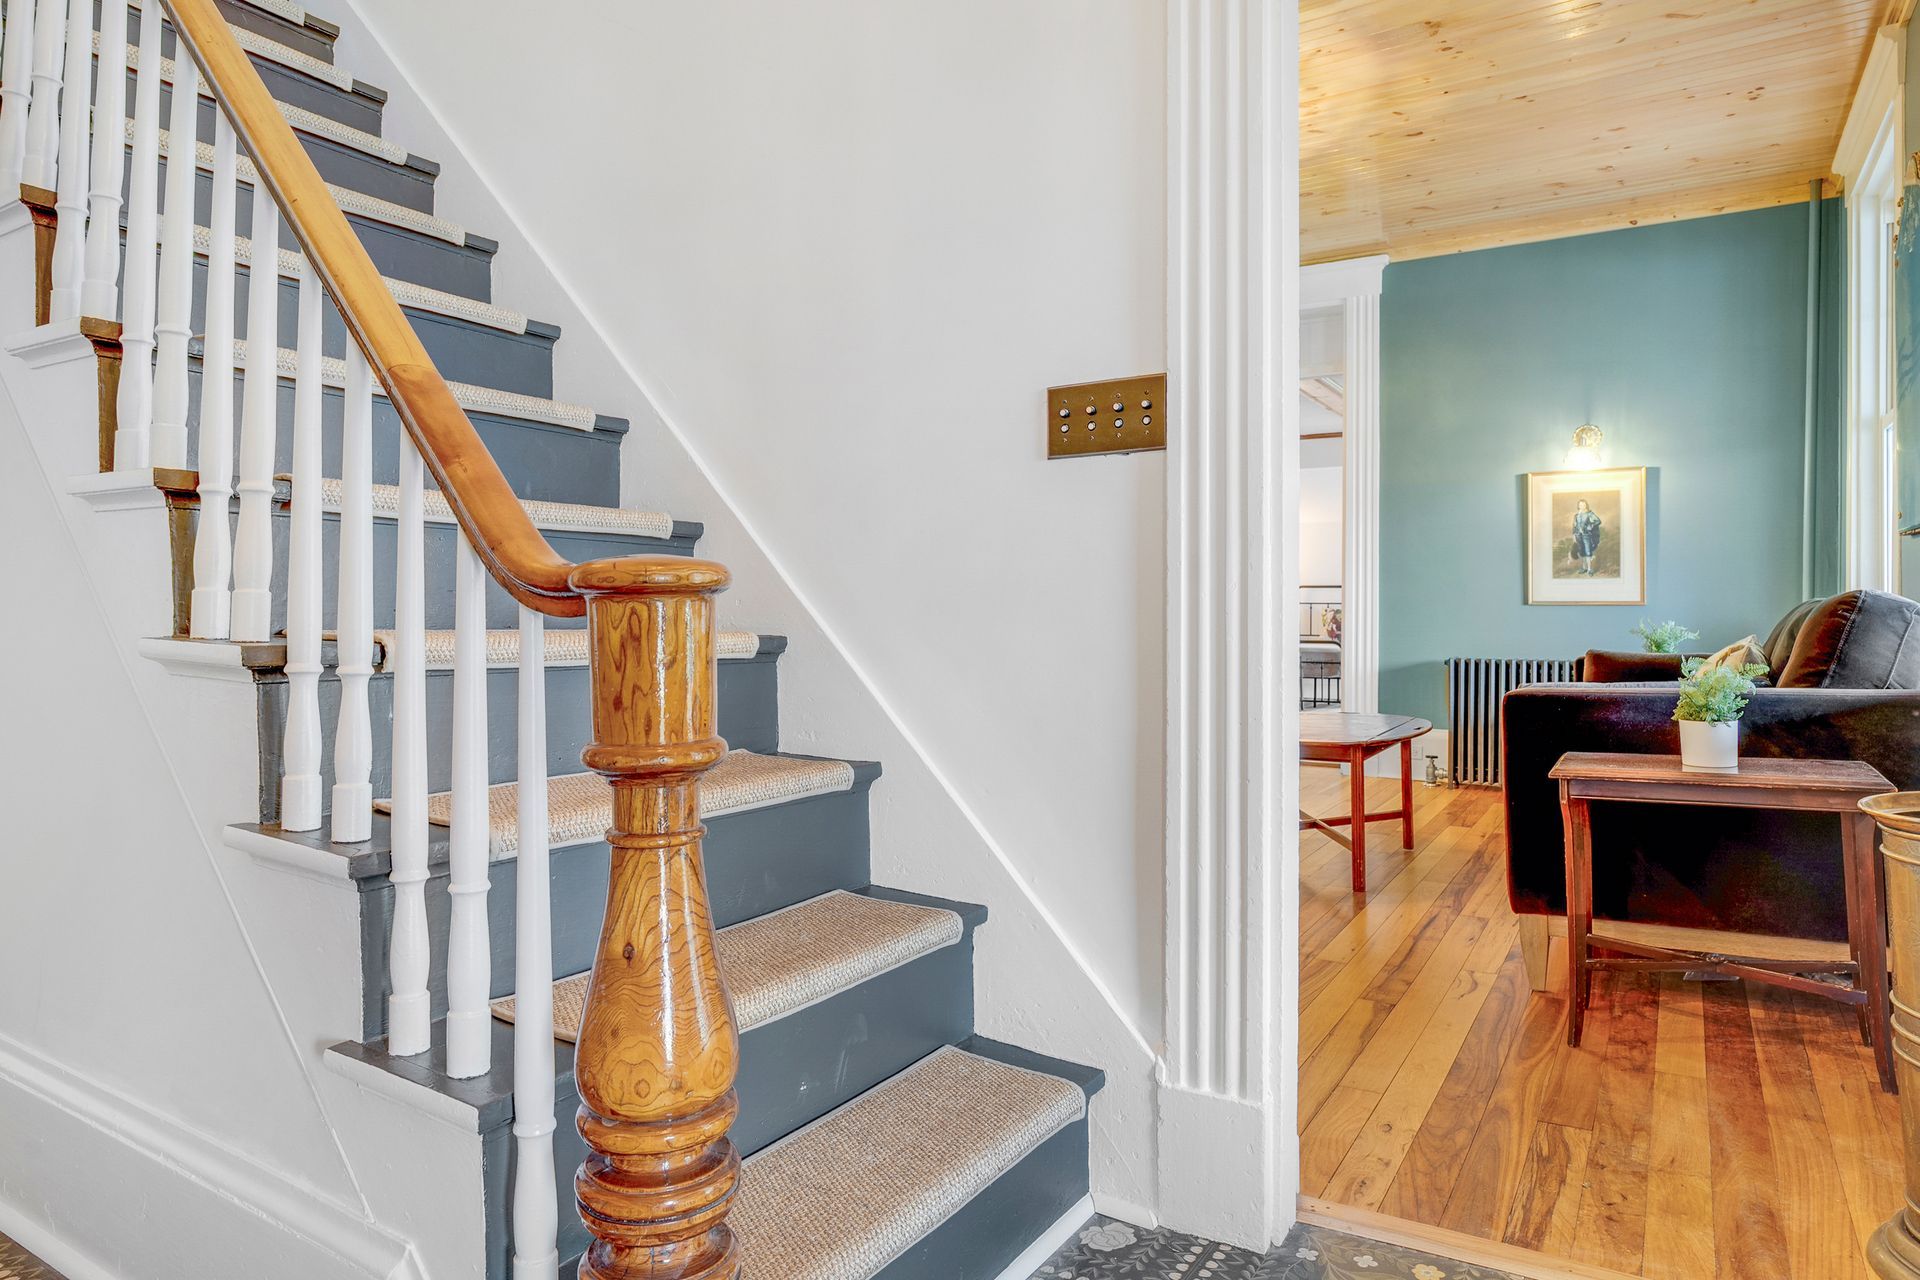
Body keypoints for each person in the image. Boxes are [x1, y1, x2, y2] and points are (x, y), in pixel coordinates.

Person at [1570, 499, 1602, 576]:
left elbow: (1598, 521)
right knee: (1581, 552)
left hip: (1587, 535)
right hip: (1578, 536)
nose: (1582, 506)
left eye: (1583, 505)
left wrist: (1590, 526)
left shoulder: (1589, 514)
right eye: (1580, 505)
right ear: (1578, 506)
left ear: (1586, 505)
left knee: (1588, 551)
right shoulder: (1576, 515)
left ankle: (1589, 569)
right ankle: (1584, 568)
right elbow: (1574, 526)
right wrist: (1574, 535)